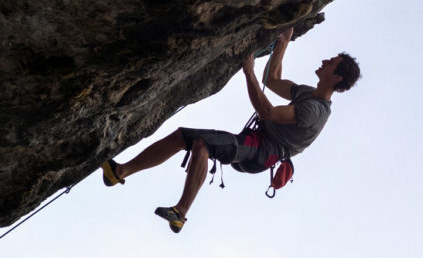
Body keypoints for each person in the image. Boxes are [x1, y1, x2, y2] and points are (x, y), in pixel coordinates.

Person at [101, 28, 361, 232]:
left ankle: (180, 213)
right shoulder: (308, 94)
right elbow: (272, 80)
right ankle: (119, 172)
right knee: (183, 136)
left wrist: (248, 72)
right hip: (254, 142)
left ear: (337, 77)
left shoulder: (315, 111)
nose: (325, 61)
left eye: (331, 62)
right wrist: (283, 42)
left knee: (202, 144)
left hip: (262, 152)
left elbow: (268, 112)